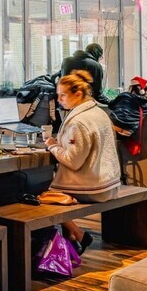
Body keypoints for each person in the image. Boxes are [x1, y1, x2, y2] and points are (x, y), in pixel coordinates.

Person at [44, 71, 121, 253]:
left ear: (78, 94)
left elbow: (73, 161)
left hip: (92, 187)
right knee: (49, 193)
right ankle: (72, 236)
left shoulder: (79, 122)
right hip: (109, 183)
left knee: (40, 197)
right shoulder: (99, 112)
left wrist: (52, 145)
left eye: (63, 95)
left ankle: (78, 234)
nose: (59, 100)